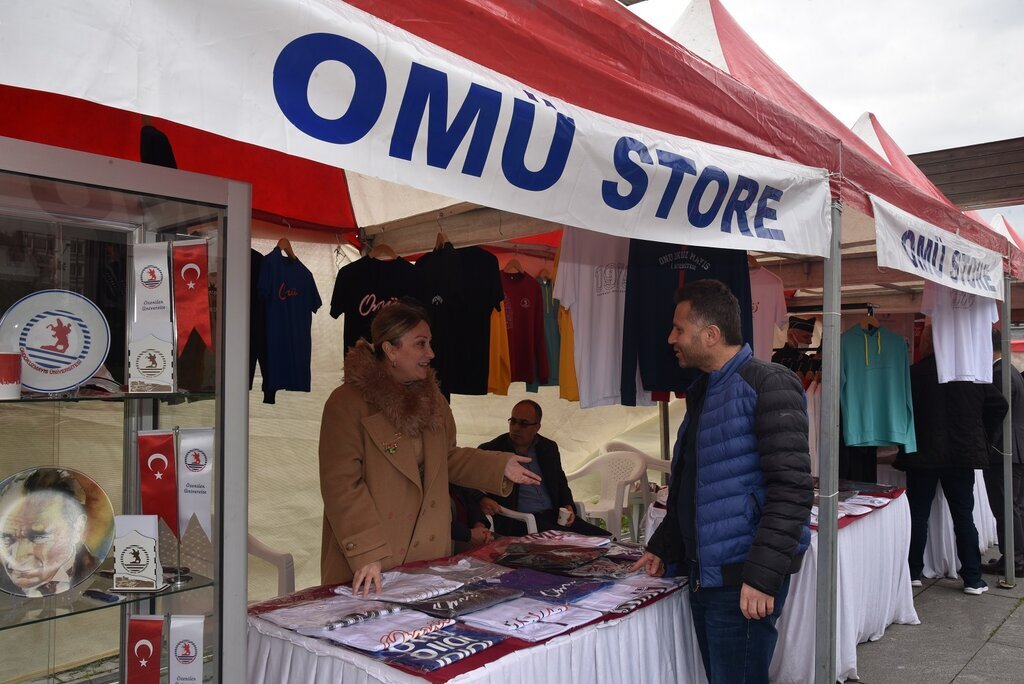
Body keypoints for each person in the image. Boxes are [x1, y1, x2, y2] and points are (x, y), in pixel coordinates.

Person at [630, 279, 813, 683]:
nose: (671, 338)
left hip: (742, 578)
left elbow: (792, 491)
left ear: (711, 334)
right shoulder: (705, 390)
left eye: (679, 329)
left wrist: (761, 577)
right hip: (708, 576)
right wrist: (664, 545)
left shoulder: (769, 382)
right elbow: (693, 485)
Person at [318, 301, 541, 595]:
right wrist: (367, 552)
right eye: (421, 344)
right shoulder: (346, 403)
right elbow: (341, 486)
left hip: (429, 559)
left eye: (430, 343)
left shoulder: (434, 400)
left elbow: (448, 458)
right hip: (372, 561)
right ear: (391, 350)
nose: (431, 353)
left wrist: (500, 465)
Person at [896, 323, 1006, 594]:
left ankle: (913, 572)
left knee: (918, 515)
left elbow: (900, 412)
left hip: (922, 454)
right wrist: (980, 435)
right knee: (963, 515)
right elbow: (998, 405)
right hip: (961, 454)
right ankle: (973, 578)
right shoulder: (971, 372)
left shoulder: (914, 373)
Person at [478, 400, 609, 537]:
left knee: (607, 539)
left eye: (523, 423)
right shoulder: (492, 450)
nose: (516, 427)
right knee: (576, 541)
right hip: (520, 520)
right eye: (513, 421)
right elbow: (469, 483)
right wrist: (482, 499)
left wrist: (568, 505)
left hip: (555, 517)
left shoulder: (548, 447)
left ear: (537, 427)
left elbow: (560, 483)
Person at [0, 468, 99, 597]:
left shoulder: (95, 573)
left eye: (38, 536)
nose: (18, 557)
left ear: (78, 528)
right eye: (6, 538)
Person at [984, 328, 1024, 578]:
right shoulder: (1010, 370)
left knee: (1006, 507)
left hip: (1004, 450)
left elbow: (997, 412)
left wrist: (987, 442)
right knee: (1014, 506)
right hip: (1015, 447)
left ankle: (1014, 559)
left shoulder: (1000, 373)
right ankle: (1016, 556)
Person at [449, 483, 493, 553]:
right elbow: (434, 524)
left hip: (468, 537)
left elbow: (467, 498)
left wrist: (479, 525)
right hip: (445, 546)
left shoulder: (453, 483)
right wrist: (468, 534)